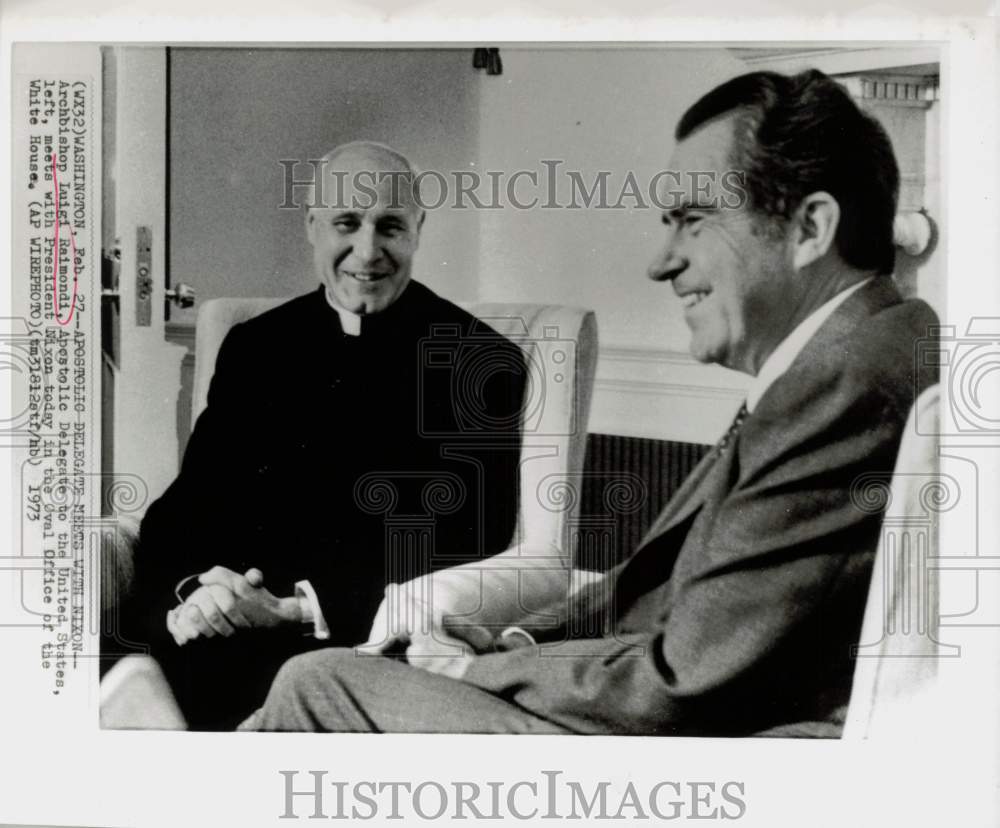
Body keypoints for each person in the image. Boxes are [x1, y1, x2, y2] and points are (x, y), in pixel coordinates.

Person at [247, 70, 940, 736]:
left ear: (810, 229)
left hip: (676, 755)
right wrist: (511, 637)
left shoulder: (846, 385)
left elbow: (685, 681)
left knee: (318, 684)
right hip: (641, 705)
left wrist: (477, 669)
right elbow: (655, 586)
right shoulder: (853, 357)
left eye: (691, 219)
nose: (660, 261)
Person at [121, 141, 527, 730]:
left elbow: (470, 540)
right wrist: (193, 593)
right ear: (313, 227)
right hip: (223, 630)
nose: (368, 251)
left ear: (418, 230)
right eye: (347, 223)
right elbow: (190, 505)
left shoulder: (479, 359)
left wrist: (293, 608)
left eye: (390, 225)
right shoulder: (256, 346)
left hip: (360, 645)